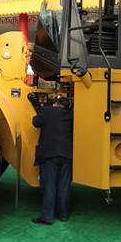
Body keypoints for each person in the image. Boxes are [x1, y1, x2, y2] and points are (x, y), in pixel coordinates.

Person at [31, 96, 74, 225]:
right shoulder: (72, 115)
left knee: (49, 186)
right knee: (64, 186)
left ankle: (47, 217)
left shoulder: (47, 110)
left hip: (49, 153)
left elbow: (35, 122)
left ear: (55, 104)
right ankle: (64, 215)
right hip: (67, 154)